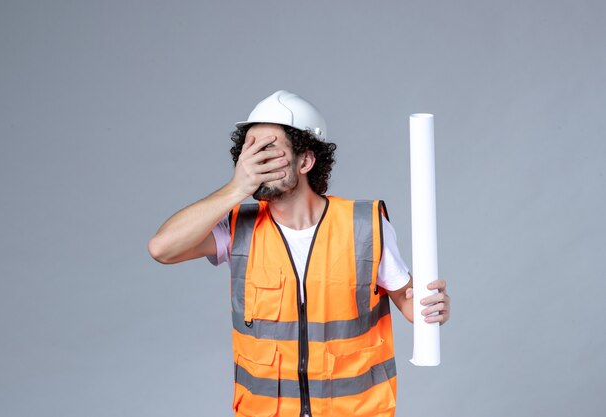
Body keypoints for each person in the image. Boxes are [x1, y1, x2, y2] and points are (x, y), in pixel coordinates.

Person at [148, 90, 450, 417]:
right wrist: (237, 188)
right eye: (249, 151)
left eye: (269, 151)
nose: (256, 162)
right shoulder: (238, 228)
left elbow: (410, 303)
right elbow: (162, 248)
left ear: (305, 160)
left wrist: (431, 307)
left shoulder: (363, 225)